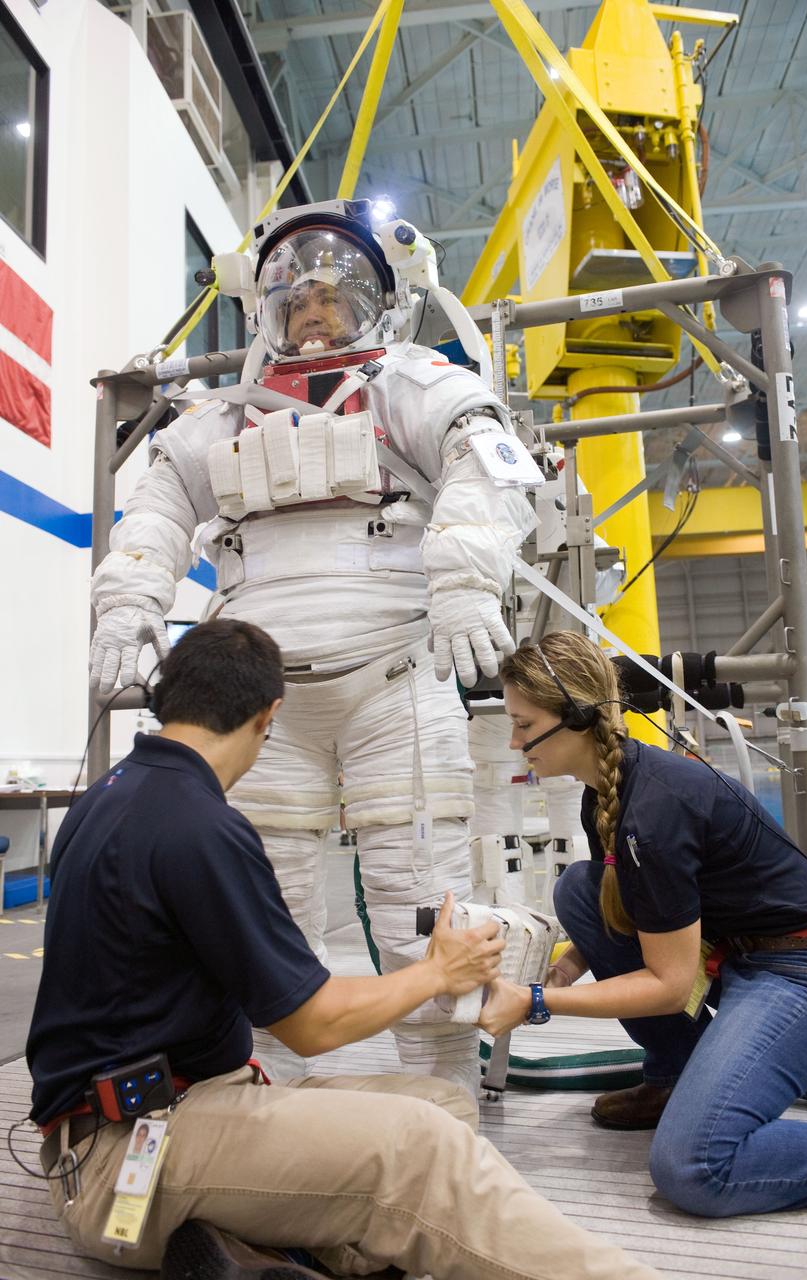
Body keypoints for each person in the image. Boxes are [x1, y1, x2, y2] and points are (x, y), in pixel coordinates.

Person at [27, 619, 662, 1280]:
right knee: (421, 1149)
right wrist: (437, 973)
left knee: (439, 1106)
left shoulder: (111, 794)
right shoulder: (199, 826)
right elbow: (311, 1023)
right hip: (128, 1158)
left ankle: (251, 1252)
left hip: (160, 1111)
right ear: (269, 714)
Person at [87, 196, 538, 1092]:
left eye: (335, 293)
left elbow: (483, 466)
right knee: (270, 917)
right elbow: (155, 513)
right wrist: (127, 601)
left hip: (398, 677)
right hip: (264, 709)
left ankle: (440, 1101)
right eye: (296, 297)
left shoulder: (413, 385)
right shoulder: (217, 418)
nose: (315, 308)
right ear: (268, 310)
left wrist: (460, 578)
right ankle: (280, 1108)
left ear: (378, 300)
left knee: (424, 900)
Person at [479, 631, 807, 1218]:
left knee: (695, 1167)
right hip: (743, 958)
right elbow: (633, 905)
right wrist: (572, 963)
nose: (514, 740)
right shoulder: (605, 790)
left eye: (524, 725)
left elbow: (671, 985)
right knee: (580, 888)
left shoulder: (653, 812)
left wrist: (534, 1002)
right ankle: (678, 1075)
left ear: (576, 716)